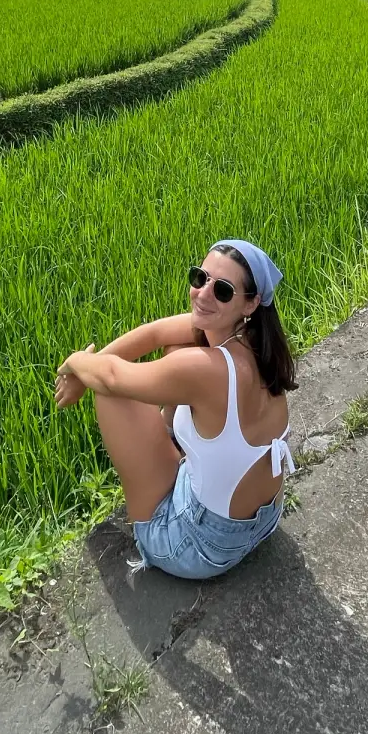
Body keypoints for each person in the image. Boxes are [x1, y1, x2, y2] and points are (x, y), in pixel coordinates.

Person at [54, 240, 298, 579]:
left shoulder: (205, 369)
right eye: (200, 278)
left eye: (223, 290)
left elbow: (110, 377)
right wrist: (84, 373)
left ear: (251, 303)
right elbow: (156, 333)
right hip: (263, 518)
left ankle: (162, 470)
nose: (204, 294)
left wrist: (78, 363)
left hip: (198, 545)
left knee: (110, 393)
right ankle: (171, 439)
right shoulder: (256, 338)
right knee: (177, 345)